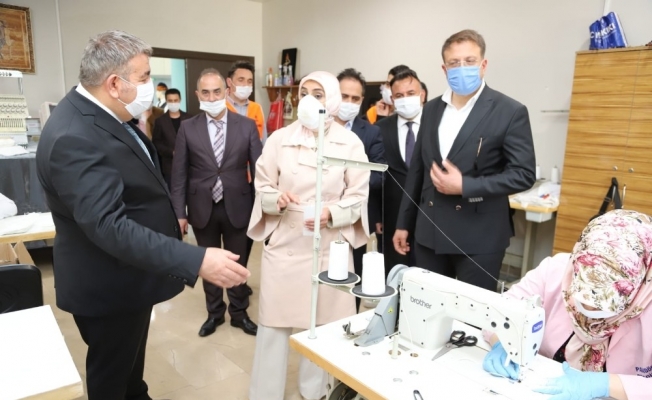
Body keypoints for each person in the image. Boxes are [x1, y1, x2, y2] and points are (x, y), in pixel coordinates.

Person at [34, 30, 249, 400]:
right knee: (112, 381)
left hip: (129, 276)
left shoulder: (104, 116)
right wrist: (196, 259)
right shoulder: (75, 135)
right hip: (108, 284)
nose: (151, 85)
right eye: (145, 76)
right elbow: (108, 225)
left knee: (131, 377)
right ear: (114, 84)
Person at [247, 71, 369, 400]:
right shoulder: (279, 139)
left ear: (332, 99)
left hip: (329, 246)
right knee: (273, 324)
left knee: (325, 326)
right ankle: (264, 394)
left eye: (318, 94)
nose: (309, 100)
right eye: (304, 93)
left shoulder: (350, 143)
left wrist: (333, 213)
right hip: (285, 243)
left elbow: (359, 196)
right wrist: (276, 199)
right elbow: (263, 187)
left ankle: (315, 391)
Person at [393, 29, 535, 291]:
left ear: (483, 65)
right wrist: (404, 223)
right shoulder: (431, 109)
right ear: (444, 69)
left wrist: (465, 186)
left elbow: (523, 174)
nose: (462, 68)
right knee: (428, 306)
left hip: (480, 237)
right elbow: (417, 171)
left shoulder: (509, 111)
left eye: (469, 61)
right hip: (429, 233)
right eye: (454, 63)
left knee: (472, 312)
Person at [483, 209, 652, 400]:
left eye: (606, 301)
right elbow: (497, 312)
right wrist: (501, 343)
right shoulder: (556, 270)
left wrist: (605, 385)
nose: (591, 308)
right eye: (583, 292)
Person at [171, 68, 262, 337]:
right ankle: (214, 313)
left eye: (217, 91)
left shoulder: (246, 126)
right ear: (198, 95)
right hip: (202, 206)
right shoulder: (188, 127)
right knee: (208, 263)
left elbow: (259, 170)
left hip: (239, 205)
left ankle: (239, 313)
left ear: (227, 92)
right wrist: (179, 212)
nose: (211, 97)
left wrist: (262, 208)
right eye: (206, 92)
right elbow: (179, 174)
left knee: (237, 263)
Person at [334, 67, 385, 310]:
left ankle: (349, 318)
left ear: (362, 100)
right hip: (317, 216)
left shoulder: (372, 132)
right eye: (344, 96)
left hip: (354, 217)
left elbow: (379, 175)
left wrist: (345, 183)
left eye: (355, 98)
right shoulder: (316, 128)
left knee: (352, 274)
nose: (349, 103)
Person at [377, 68, 426, 274]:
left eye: (410, 93)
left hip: (429, 215)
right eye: (399, 95)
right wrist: (376, 214)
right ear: (392, 99)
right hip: (392, 216)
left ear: (422, 95)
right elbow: (376, 174)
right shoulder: (380, 128)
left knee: (426, 276)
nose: (405, 99)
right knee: (394, 274)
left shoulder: (437, 124)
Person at [151, 88, 191, 188]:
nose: (173, 103)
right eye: (170, 100)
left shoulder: (189, 118)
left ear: (180, 100)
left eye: (175, 100)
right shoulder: (160, 121)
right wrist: (171, 152)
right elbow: (156, 142)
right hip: (169, 167)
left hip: (189, 165)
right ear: (166, 101)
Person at [225, 60, 266, 141]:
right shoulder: (221, 107)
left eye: (249, 81)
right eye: (241, 80)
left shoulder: (257, 108)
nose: (246, 85)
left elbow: (263, 139)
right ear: (229, 82)